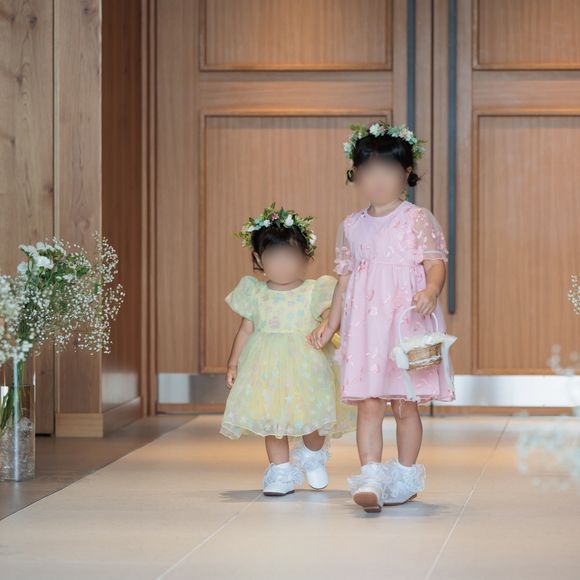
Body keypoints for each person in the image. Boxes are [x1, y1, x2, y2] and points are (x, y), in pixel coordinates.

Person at [309, 122, 455, 512]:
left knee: (405, 404)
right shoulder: (352, 226)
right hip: (367, 330)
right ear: (356, 175)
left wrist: (431, 290)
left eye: (388, 171)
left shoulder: (416, 218)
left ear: (406, 174)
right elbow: (344, 280)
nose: (378, 180)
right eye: (369, 171)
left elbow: (435, 263)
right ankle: (371, 475)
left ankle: (404, 476)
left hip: (405, 325)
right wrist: (331, 323)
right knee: (369, 403)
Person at [221, 203, 356, 496]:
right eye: (273, 257)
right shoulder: (255, 293)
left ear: (305, 256)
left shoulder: (315, 290)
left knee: (313, 419)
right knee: (272, 421)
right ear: (259, 259)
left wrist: (325, 324)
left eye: (289, 256)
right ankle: (281, 471)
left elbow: (329, 316)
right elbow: (246, 330)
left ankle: (313, 455)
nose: (282, 264)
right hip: (266, 371)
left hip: (307, 370)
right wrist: (233, 364)